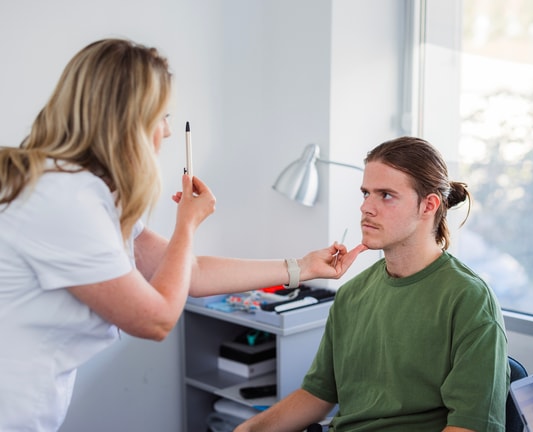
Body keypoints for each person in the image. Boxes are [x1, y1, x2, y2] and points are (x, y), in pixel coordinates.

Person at [0, 38, 365, 432]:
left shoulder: (84, 192)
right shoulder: (64, 200)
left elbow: (192, 272)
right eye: (162, 116)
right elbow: (156, 319)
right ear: (128, 121)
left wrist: (302, 267)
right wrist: (186, 224)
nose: (168, 131)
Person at [235, 137, 509, 432]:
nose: (366, 207)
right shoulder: (352, 294)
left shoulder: (469, 300)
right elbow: (317, 393)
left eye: (386, 195)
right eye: (366, 193)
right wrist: (248, 430)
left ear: (428, 205)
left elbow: (472, 426)